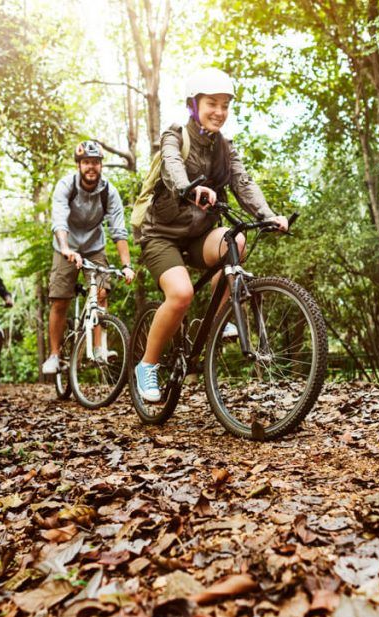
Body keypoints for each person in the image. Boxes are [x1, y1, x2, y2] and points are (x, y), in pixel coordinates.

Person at [133, 69, 288, 402]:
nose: (219, 111)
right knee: (180, 294)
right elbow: (172, 165)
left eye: (225, 105)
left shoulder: (225, 148)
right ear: (194, 105)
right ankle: (147, 365)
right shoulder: (175, 135)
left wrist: (267, 215)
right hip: (161, 235)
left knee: (238, 241)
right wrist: (191, 188)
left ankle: (217, 324)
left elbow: (243, 183)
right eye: (211, 103)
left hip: (199, 235)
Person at [42, 140, 135, 375]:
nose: (91, 167)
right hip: (67, 246)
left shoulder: (108, 192)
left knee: (102, 292)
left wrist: (127, 265)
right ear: (79, 165)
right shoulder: (66, 186)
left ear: (101, 165)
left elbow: (118, 230)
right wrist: (65, 248)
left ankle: (99, 348)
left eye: (95, 162)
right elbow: (59, 221)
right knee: (60, 299)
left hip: (94, 246)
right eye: (86, 162)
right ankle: (54, 355)